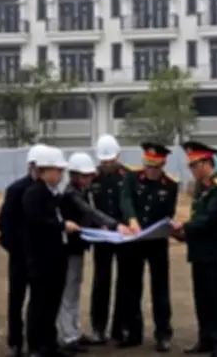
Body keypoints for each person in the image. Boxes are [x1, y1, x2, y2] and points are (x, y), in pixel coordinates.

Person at [56, 152, 131, 353]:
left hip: (77, 248)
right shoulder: (71, 193)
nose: (89, 178)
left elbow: (88, 217)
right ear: (74, 175)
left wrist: (100, 226)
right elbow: (89, 212)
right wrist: (114, 225)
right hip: (68, 249)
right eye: (85, 175)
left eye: (90, 175)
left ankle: (73, 332)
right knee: (68, 291)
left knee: (74, 289)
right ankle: (67, 336)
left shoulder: (80, 190)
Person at [170, 141, 217, 355]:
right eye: (190, 166)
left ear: (206, 163)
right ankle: (206, 338)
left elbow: (209, 220)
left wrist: (184, 228)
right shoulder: (201, 189)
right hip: (199, 253)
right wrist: (182, 233)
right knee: (202, 300)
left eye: (194, 165)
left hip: (215, 254)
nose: (192, 170)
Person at [117, 142, 179, 352]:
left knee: (160, 288)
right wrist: (132, 219)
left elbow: (168, 213)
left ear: (163, 165)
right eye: (147, 166)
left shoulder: (170, 185)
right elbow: (125, 200)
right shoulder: (131, 178)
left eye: (155, 167)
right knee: (131, 288)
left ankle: (163, 334)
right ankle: (132, 332)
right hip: (135, 241)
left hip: (156, 242)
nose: (150, 171)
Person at [22, 146, 81, 357]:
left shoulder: (51, 193)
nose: (61, 175)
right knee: (40, 303)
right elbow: (36, 222)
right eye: (58, 170)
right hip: (41, 259)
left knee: (52, 303)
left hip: (56, 257)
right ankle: (36, 346)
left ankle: (50, 344)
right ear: (44, 171)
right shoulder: (34, 194)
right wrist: (62, 226)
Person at [0, 143, 48, 357]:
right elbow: (3, 225)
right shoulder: (16, 189)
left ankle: (37, 341)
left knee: (39, 299)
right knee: (16, 298)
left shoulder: (48, 190)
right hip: (20, 255)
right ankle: (15, 342)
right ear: (31, 166)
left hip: (40, 255)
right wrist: (16, 248)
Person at [85, 134, 129, 345]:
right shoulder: (92, 177)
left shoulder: (128, 176)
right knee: (101, 281)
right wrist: (96, 225)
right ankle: (98, 328)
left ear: (118, 156)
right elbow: (86, 206)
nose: (107, 165)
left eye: (110, 161)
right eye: (104, 162)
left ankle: (120, 329)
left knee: (124, 282)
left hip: (124, 235)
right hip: (101, 236)